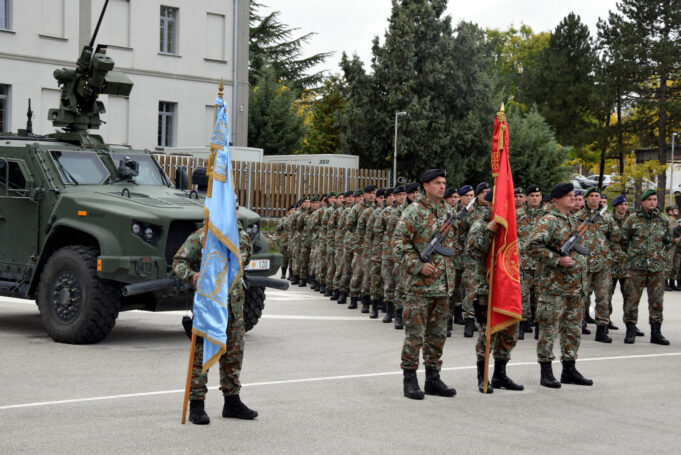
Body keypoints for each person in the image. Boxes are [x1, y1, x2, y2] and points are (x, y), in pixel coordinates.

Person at [173, 201, 258, 425]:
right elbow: (179, 262)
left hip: (234, 309)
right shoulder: (202, 237)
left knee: (234, 357)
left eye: (237, 207)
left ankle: (232, 402)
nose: (235, 211)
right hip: (210, 308)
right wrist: (192, 276)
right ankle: (197, 405)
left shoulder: (241, 237)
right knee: (202, 356)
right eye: (230, 207)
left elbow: (241, 263)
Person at [393, 169, 457, 400]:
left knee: (437, 336)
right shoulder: (413, 211)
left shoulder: (449, 212)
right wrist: (417, 265)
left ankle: (433, 378)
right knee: (415, 336)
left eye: (444, 182)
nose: (442, 186)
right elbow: (398, 244)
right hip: (420, 287)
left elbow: (454, 246)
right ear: (426, 186)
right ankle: (410, 379)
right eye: (437, 183)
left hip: (443, 286)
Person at [526, 183, 592, 388]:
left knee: (573, 329)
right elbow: (531, 247)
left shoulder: (574, 220)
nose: (573, 198)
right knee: (549, 329)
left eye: (573, 195)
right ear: (556, 199)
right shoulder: (549, 221)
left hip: (575, 286)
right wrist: (557, 260)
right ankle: (546, 371)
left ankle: (569, 369)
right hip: (554, 287)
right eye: (568, 195)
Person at [467, 189, 523, 393]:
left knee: (509, 332)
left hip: (506, 286)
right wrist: (490, 231)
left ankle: (500, 374)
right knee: (486, 334)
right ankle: (482, 377)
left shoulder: (510, 227)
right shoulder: (480, 225)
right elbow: (474, 252)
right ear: (491, 205)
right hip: (487, 287)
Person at [621, 189, 673, 345]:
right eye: (649, 199)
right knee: (632, 300)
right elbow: (623, 240)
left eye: (654, 199)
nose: (652, 202)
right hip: (636, 267)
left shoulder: (663, 220)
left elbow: (669, 240)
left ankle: (656, 333)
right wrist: (633, 255)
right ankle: (630, 331)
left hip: (656, 267)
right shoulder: (633, 219)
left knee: (657, 301)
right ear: (643, 201)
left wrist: (659, 255)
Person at [576, 187, 620, 343]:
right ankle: (579, 325)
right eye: (592, 196)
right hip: (583, 264)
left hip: (602, 265)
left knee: (603, 298)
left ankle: (601, 329)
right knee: (581, 297)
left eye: (597, 196)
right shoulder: (577, 217)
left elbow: (616, 238)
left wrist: (611, 256)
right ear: (586, 198)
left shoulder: (606, 217)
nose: (594, 198)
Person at [516, 184, 544, 340]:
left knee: (541, 296)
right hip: (523, 262)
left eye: (537, 196)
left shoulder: (548, 215)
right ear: (526, 198)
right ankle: (521, 324)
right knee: (522, 295)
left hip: (542, 262)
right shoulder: (517, 215)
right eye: (532, 196)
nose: (535, 198)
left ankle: (539, 326)